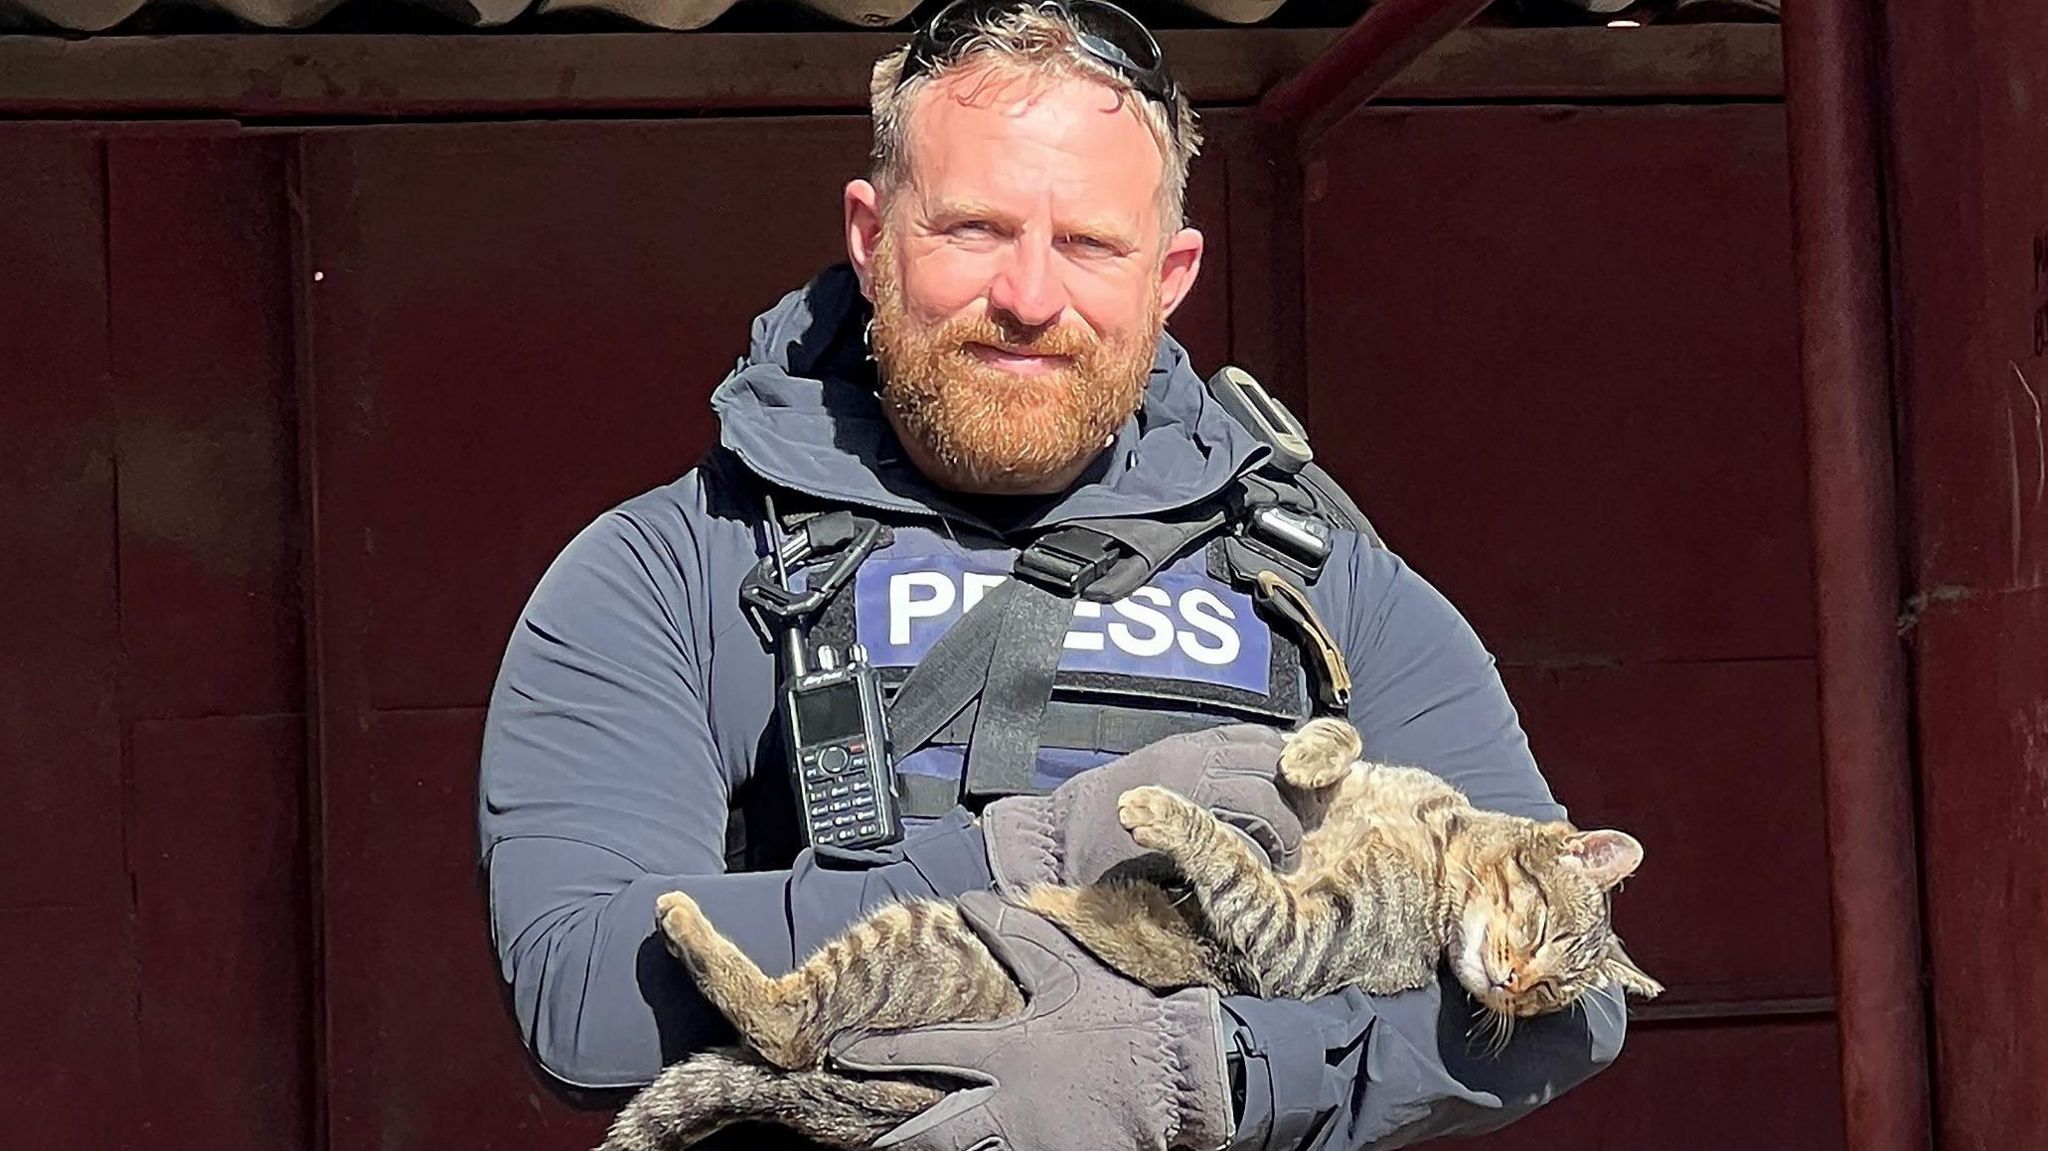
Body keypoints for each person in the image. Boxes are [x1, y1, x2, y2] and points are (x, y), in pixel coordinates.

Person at [477, 1, 1629, 1148]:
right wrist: (1021, 856)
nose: (1028, 297)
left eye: (1087, 243)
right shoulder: (674, 567)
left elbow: (1576, 1005)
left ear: (1170, 273)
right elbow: (583, 993)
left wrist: (1210, 1070)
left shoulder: (1329, 592)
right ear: (872, 235)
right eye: (974, 228)